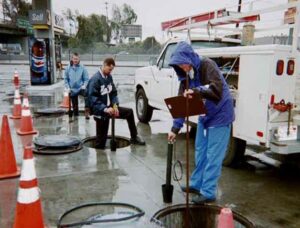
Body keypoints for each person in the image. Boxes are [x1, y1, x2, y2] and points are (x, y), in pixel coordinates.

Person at [167, 41, 235, 204]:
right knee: (200, 150)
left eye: (183, 63)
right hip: (205, 115)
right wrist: (174, 129)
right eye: (179, 65)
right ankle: (197, 184)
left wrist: (197, 91)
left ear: (190, 58)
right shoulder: (185, 77)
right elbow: (181, 105)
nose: (183, 67)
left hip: (220, 114)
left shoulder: (207, 65)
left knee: (213, 155)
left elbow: (216, 90)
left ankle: (208, 191)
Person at [87, 58, 145, 149]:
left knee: (129, 112)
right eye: (110, 69)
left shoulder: (109, 77)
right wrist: (105, 109)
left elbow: (113, 93)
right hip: (100, 111)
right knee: (101, 141)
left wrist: (115, 106)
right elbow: (93, 99)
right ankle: (100, 154)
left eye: (112, 70)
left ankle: (134, 137)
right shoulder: (95, 80)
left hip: (110, 107)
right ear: (104, 65)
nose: (111, 71)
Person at [64, 52, 90, 119]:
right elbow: (66, 79)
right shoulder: (68, 68)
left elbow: (86, 79)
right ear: (72, 59)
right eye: (74, 59)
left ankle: (87, 111)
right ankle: (76, 115)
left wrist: (84, 85)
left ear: (79, 59)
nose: (75, 60)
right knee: (75, 106)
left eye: (77, 59)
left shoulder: (82, 68)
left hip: (80, 88)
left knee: (87, 93)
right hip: (72, 89)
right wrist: (67, 87)